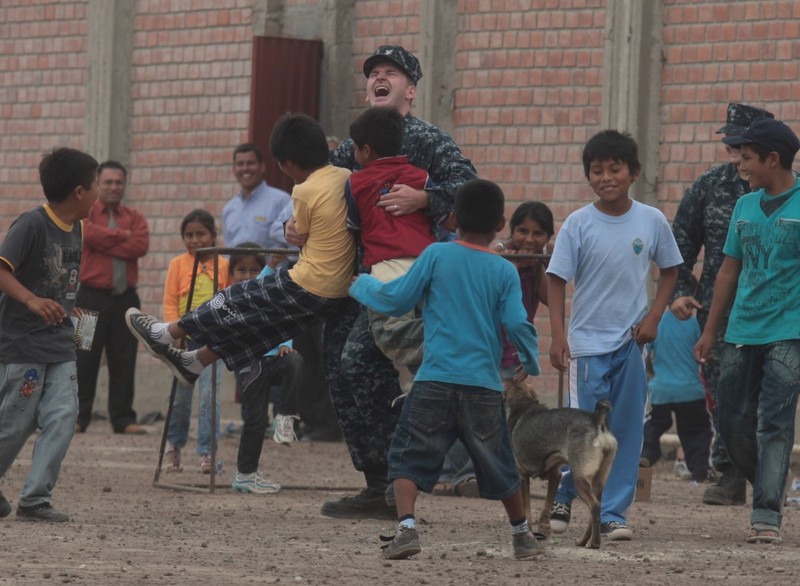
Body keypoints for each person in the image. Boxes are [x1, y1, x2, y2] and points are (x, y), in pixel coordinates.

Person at [294, 45, 477, 520]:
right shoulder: (350, 147)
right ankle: (377, 482)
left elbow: (468, 187)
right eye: (373, 72)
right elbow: (319, 193)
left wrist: (424, 197)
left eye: (390, 72)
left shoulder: (429, 141)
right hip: (353, 279)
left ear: (409, 90)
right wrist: (295, 226)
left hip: (406, 281)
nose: (379, 77)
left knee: (362, 364)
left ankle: (405, 475)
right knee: (341, 372)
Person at [123, 114, 359, 454]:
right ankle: (196, 360)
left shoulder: (304, 190)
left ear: (285, 163)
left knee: (235, 298)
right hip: (335, 289)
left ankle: (168, 332)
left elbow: (300, 234)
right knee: (260, 329)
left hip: (308, 279)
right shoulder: (345, 176)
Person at [349, 179, 543, 560]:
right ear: (501, 224)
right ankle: (521, 534)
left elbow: (398, 297)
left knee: (407, 453)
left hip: (434, 379)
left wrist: (364, 286)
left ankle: (406, 528)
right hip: (484, 386)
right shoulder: (503, 271)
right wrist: (531, 359)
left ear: (452, 218)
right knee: (500, 457)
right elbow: (518, 323)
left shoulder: (437, 255)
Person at [546, 130, 683, 541]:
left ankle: (612, 513)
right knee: (584, 430)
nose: (606, 177)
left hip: (631, 345)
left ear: (634, 173)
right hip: (587, 346)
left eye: (615, 169)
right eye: (597, 171)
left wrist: (654, 318)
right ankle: (566, 494)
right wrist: (557, 336)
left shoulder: (652, 220)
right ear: (588, 176)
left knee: (623, 430)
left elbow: (671, 270)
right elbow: (555, 280)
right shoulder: (578, 224)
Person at [694, 117, 800, 545]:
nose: (740, 164)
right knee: (732, 422)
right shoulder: (744, 206)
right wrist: (709, 330)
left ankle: (766, 512)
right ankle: (770, 480)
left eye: (748, 157)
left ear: (773, 159)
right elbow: (727, 272)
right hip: (741, 330)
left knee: (774, 422)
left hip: (789, 332)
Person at [671, 102, 775, 506]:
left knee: (771, 399)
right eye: (729, 143)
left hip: (778, 313)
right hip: (722, 315)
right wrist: (681, 290)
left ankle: (768, 478)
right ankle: (730, 474)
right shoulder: (709, 186)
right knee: (727, 399)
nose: (733, 152)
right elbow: (679, 243)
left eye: (741, 144)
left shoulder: (788, 190)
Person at [0, 147, 98, 522]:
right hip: (22, 344)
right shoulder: (31, 224)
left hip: (59, 342)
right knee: (15, 421)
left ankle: (35, 498)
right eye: (95, 186)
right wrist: (31, 300)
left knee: (63, 414)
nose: (97, 194)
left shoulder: (79, 227)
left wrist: (63, 304)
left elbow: (59, 278)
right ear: (79, 191)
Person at [435, 201, 555, 498]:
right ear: (510, 229)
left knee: (495, 418)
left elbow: (550, 298)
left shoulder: (537, 264)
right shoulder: (498, 257)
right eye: (523, 231)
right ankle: (452, 473)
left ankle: (482, 475)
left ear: (548, 237)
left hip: (512, 353)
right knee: (466, 412)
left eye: (538, 234)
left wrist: (546, 264)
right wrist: (507, 261)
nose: (529, 239)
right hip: (483, 347)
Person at [345, 105, 436, 366]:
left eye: (355, 148)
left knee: (389, 332)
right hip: (428, 263)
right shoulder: (421, 176)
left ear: (365, 150)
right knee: (421, 326)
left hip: (388, 268)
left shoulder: (355, 183)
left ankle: (448, 339)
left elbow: (354, 224)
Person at [75, 161, 150, 435]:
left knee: (124, 358)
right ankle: (77, 416)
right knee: (82, 357)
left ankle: (123, 418)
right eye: (108, 182)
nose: (114, 187)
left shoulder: (135, 217)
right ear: (97, 184)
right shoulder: (85, 216)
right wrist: (120, 237)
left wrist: (105, 241)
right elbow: (87, 234)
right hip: (89, 299)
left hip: (126, 299)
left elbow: (140, 245)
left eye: (119, 182)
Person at [227, 244, 302, 494]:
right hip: (250, 364)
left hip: (273, 359)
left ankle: (286, 417)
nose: (247, 275)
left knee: (294, 360)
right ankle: (246, 474)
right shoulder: (231, 297)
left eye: (253, 269)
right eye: (241, 270)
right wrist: (269, 266)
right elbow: (250, 292)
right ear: (231, 274)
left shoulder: (270, 294)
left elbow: (284, 320)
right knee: (255, 420)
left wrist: (285, 344)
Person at [162, 210, 228, 473]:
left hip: (214, 343)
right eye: (189, 235)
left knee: (209, 398)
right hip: (184, 341)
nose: (195, 240)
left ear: (213, 235)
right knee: (180, 398)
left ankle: (207, 452)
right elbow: (169, 301)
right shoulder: (178, 264)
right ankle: (174, 447)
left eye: (201, 234)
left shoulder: (223, 265)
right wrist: (172, 333)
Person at [640, 276, 713, 483]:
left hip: (661, 389)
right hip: (690, 390)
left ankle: (646, 454)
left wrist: (652, 373)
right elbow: (705, 353)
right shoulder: (697, 324)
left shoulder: (658, 321)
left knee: (653, 425)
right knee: (697, 432)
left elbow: (646, 352)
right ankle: (700, 471)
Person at [222, 143, 293, 251]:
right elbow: (227, 251)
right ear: (234, 169)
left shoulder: (281, 201)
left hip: (273, 268)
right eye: (240, 164)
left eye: (250, 163)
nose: (245, 168)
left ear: (262, 167)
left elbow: (293, 246)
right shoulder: (229, 209)